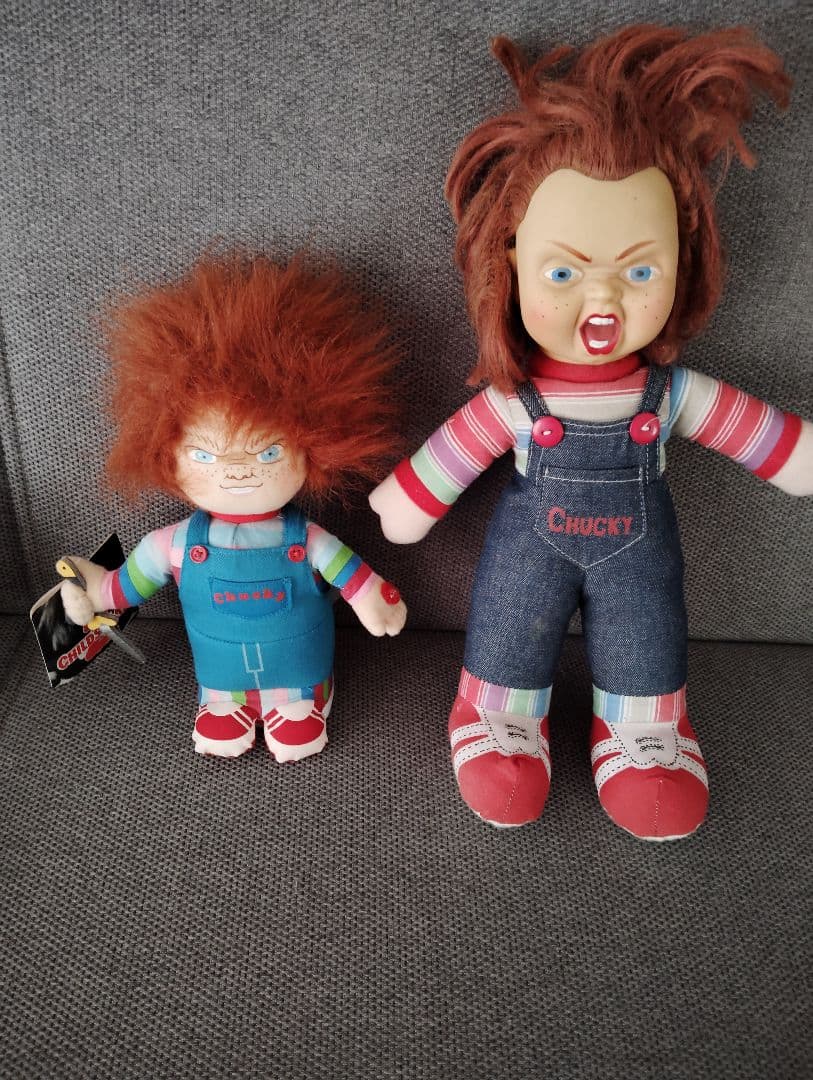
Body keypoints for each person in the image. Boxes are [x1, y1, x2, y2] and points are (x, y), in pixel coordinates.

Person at [369, 26, 812, 839]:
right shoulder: (513, 401)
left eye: (638, 270)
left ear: (682, 263)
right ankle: (498, 715)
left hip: (638, 564)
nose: (601, 300)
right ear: (509, 262)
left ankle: (644, 733)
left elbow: (774, 446)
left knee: (647, 635)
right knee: (508, 630)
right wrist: (408, 501)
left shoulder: (668, 393)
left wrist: (795, 454)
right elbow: (434, 475)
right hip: (527, 556)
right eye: (563, 272)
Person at [62, 252, 407, 762]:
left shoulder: (308, 540)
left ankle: (303, 702)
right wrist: (94, 591)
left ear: (317, 446)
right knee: (223, 711)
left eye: (268, 453)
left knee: (298, 720)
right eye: (204, 455)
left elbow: (352, 576)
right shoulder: (172, 545)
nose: (237, 472)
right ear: (164, 455)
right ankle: (225, 703)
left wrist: (373, 595)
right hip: (218, 677)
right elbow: (127, 587)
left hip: (303, 671)